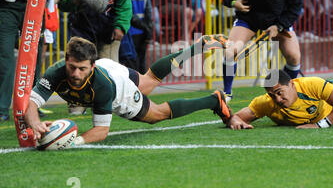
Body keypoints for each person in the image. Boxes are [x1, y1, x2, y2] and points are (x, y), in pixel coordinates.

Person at [25, 35, 231, 145]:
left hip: (117, 86)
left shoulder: (102, 86)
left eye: (82, 69)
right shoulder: (55, 72)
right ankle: (197, 47)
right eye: (72, 67)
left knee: (156, 113)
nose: (76, 74)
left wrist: (73, 140)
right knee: (148, 80)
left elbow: (101, 131)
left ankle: (215, 100)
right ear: (66, 61)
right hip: (109, 67)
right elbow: (32, 102)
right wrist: (35, 123)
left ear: (92, 66)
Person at [219, 0, 303, 102]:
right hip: (248, 19)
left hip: (277, 21)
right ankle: (227, 94)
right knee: (230, 51)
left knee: (294, 57)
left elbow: (296, 6)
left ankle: (287, 90)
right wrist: (231, 1)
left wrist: (279, 26)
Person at [0, 0, 53, 122]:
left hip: (33, 5)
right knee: (5, 56)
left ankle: (32, 105)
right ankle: (2, 108)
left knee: (34, 57)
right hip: (5, 6)